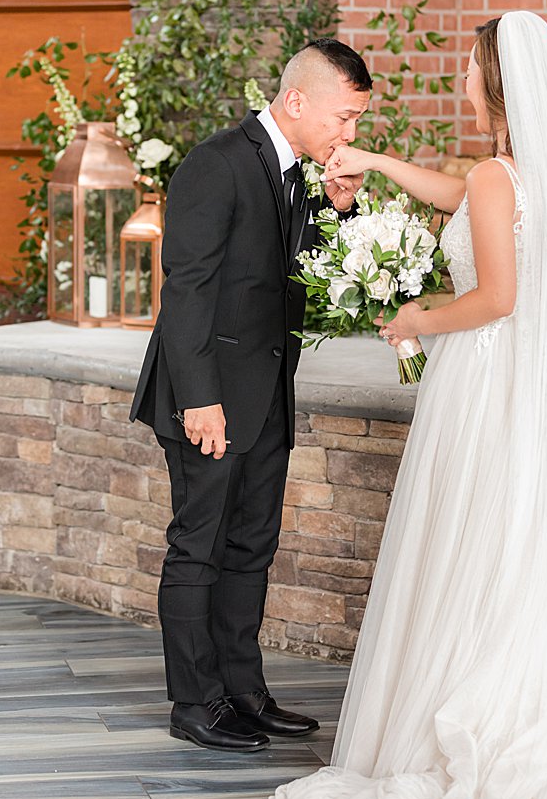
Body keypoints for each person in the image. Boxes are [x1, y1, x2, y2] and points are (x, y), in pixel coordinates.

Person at [234, 12, 547, 799]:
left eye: (468, 69)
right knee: (509, 543)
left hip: (485, 379)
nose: (460, 82)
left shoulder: (499, 175)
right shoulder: (530, 176)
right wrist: (375, 164)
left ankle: (471, 704)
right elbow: (456, 194)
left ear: (496, 82)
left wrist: (414, 318)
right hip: (520, 390)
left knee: (472, 543)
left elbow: (496, 299)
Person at [130, 39, 369, 753]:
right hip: (208, 395)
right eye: (345, 116)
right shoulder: (217, 162)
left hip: (267, 393)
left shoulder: (300, 171)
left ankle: (243, 691)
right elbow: (188, 290)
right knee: (198, 547)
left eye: (358, 120)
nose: (350, 133)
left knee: (251, 546)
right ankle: (194, 702)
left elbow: (309, 279)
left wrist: (342, 210)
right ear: (297, 101)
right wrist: (200, 400)